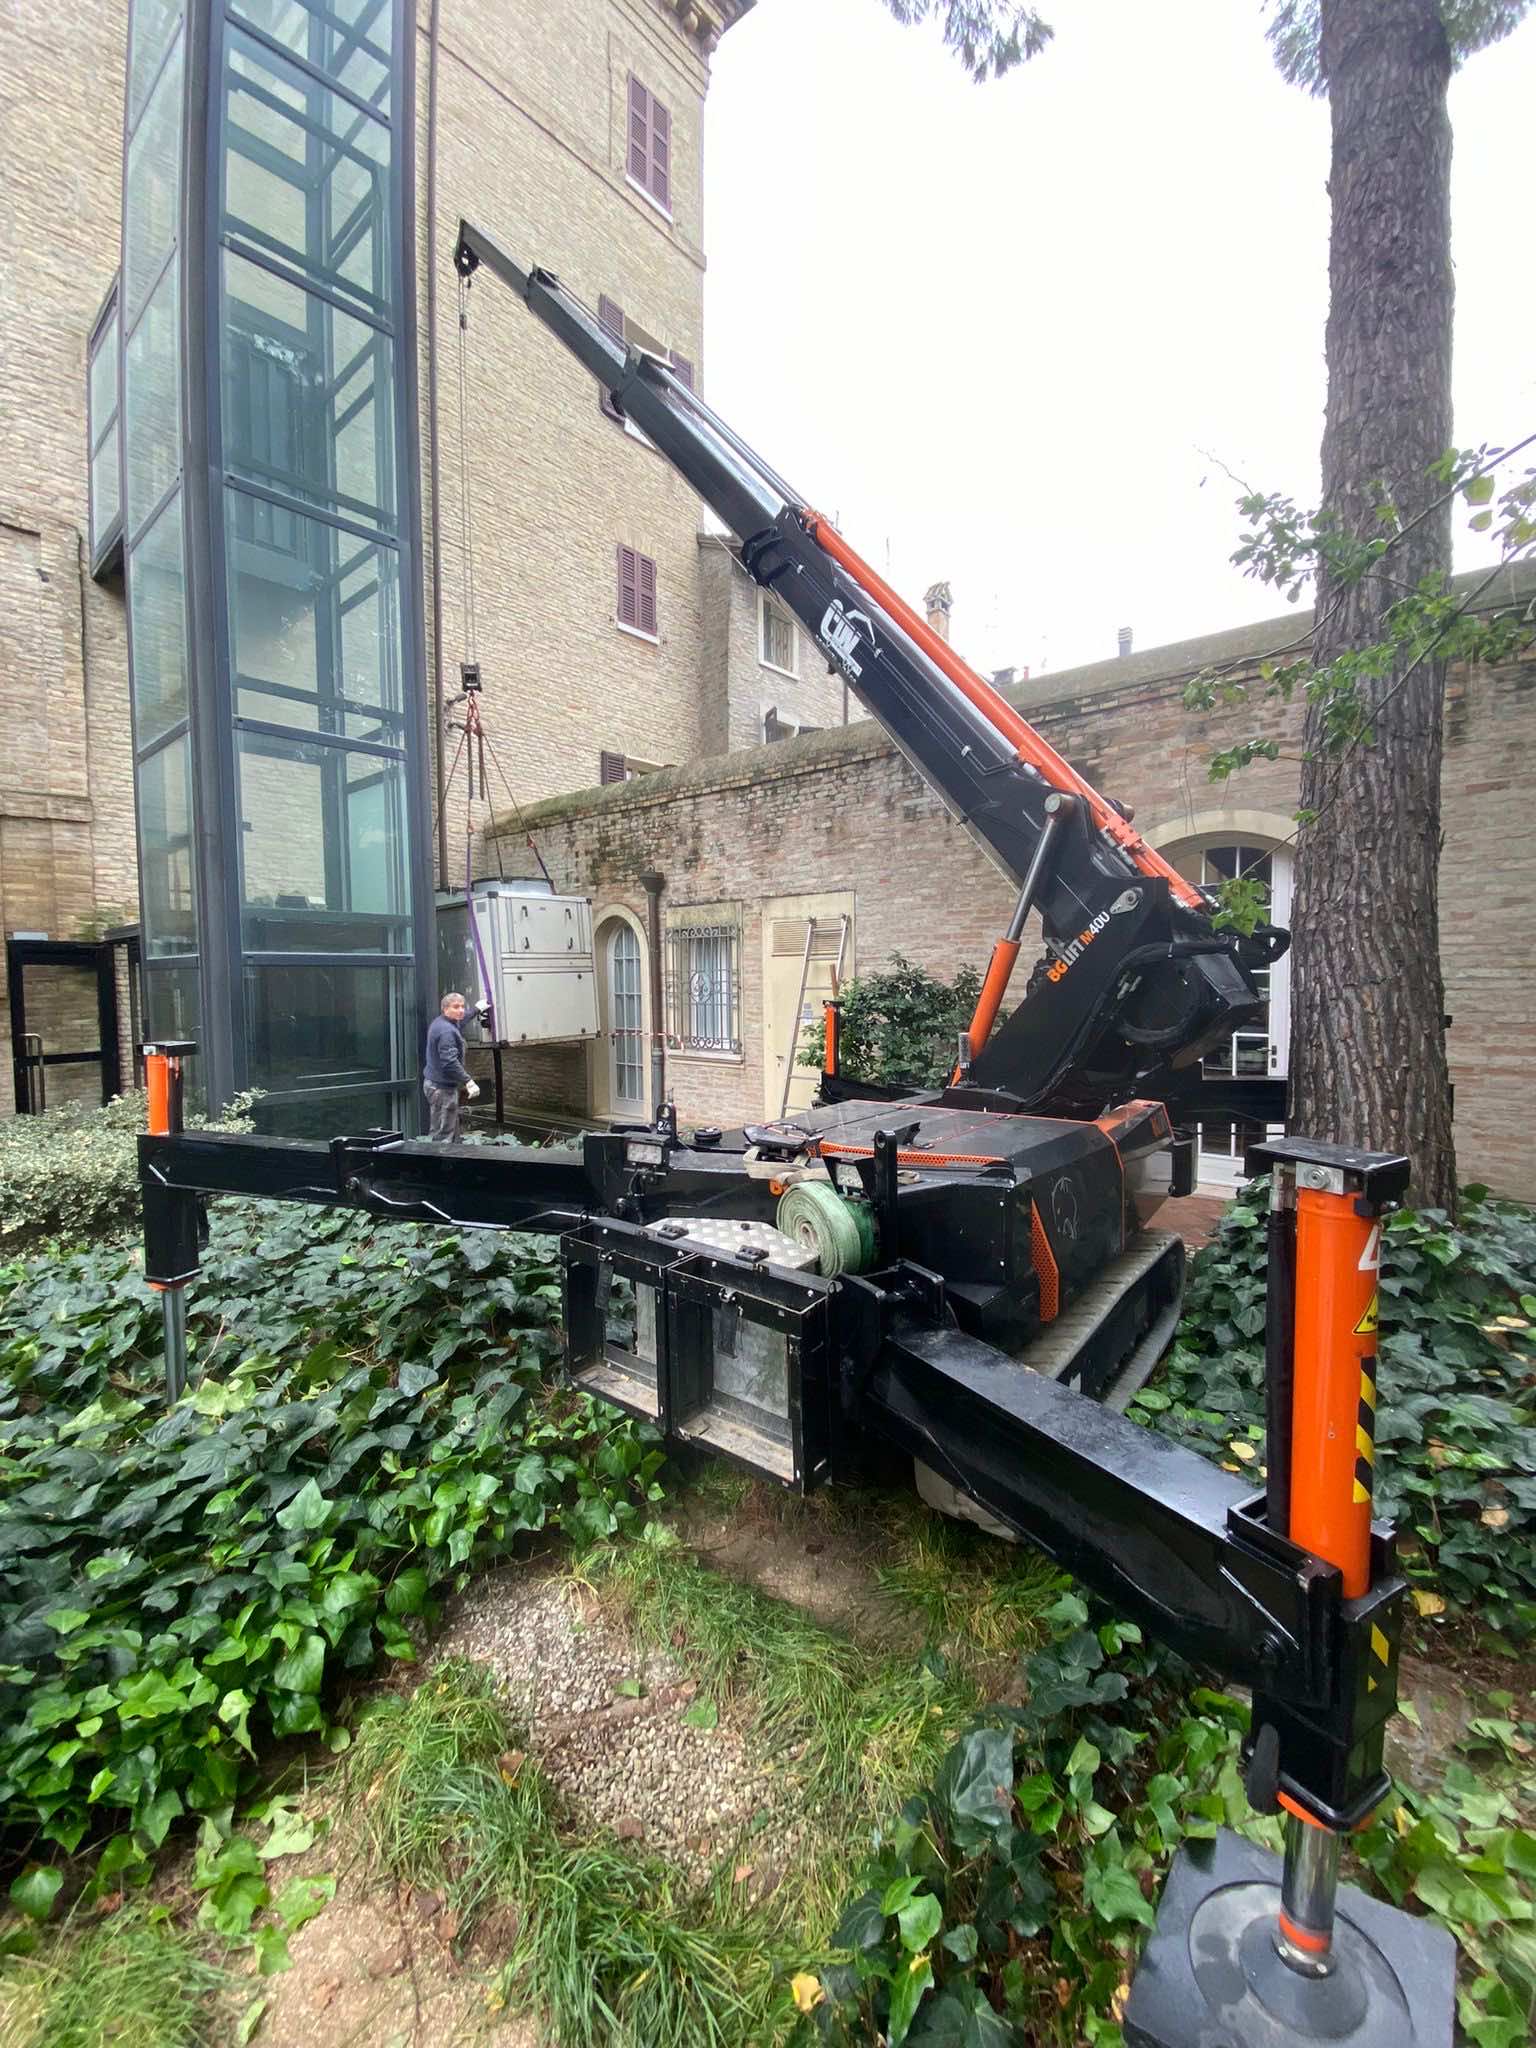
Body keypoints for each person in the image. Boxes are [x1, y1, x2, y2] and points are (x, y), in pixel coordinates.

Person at [423, 991, 480, 1142]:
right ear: (445, 1008)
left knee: (450, 1132)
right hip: (442, 1090)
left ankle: (450, 1156)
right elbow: (449, 1062)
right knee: (442, 1135)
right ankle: (437, 1157)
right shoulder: (446, 1031)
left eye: (462, 1006)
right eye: (456, 1007)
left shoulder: (445, 1022)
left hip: (437, 1085)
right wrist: (468, 1081)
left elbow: (462, 1019)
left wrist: (476, 1009)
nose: (461, 1010)